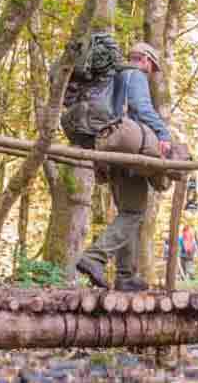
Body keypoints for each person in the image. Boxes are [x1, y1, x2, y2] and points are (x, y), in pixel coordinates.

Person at [72, 41, 174, 292]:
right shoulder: (134, 74)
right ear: (147, 61)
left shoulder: (109, 77)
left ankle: (125, 275)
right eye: (152, 68)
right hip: (128, 148)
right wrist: (163, 134)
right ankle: (94, 257)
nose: (151, 73)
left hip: (107, 146)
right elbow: (142, 108)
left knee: (129, 211)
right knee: (133, 213)